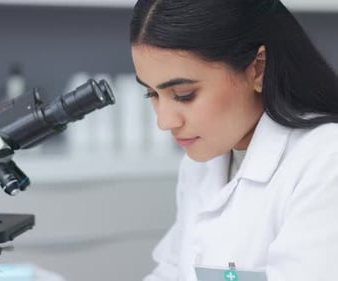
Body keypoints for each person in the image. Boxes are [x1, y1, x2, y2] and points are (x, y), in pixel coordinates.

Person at [129, 0, 338, 280]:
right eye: (152, 94)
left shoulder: (325, 162)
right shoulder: (203, 161)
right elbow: (171, 271)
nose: (164, 122)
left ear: (257, 68)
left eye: (183, 94)